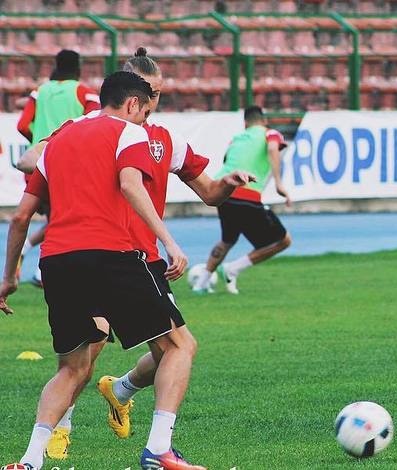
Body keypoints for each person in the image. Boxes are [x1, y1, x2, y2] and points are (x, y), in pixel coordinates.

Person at [16, 48, 253, 466]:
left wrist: (228, 184)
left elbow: (211, 193)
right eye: (146, 93)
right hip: (115, 256)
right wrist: (47, 150)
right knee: (97, 353)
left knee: (161, 353)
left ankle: (119, 391)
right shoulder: (90, 129)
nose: (151, 102)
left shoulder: (165, 140)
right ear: (127, 92)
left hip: (137, 260)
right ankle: (77, 429)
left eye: (157, 94)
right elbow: (32, 160)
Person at [0, 71, 203, 470]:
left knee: (72, 368)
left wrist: (8, 278)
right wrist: (169, 241)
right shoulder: (129, 133)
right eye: (144, 111)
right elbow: (130, 185)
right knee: (179, 346)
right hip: (111, 256)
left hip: (57, 263)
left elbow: (21, 217)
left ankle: (29, 460)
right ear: (132, 104)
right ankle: (159, 449)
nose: (145, 120)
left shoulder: (57, 142)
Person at [15, 49, 100, 287]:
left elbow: (22, 125)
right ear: (78, 68)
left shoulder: (39, 92)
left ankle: (25, 249)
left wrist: (38, 142)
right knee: (67, 219)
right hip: (67, 166)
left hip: (36, 165)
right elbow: (94, 123)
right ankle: (42, 272)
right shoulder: (83, 92)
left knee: (55, 217)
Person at [193, 105, 292, 295]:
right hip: (246, 194)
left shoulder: (236, 139)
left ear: (245, 124)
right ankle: (233, 269)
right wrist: (278, 183)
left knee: (227, 240)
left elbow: (226, 161)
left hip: (223, 192)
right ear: (264, 121)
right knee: (283, 240)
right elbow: (273, 148)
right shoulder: (270, 133)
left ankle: (201, 284)